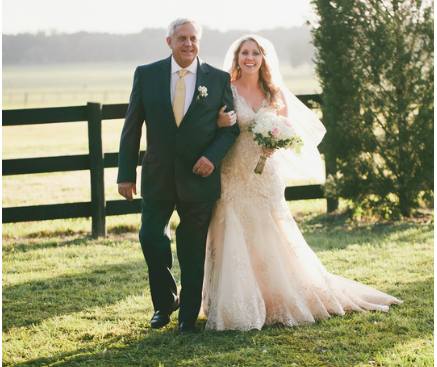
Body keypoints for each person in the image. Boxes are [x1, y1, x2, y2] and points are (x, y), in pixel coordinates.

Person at [201, 34, 402, 330]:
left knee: (269, 231)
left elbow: (288, 129)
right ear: (237, 57)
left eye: (255, 53)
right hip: (233, 172)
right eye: (245, 52)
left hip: (266, 174)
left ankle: (276, 298)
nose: (250, 58)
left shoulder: (274, 93)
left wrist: (276, 143)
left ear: (263, 58)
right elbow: (212, 124)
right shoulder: (226, 90)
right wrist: (219, 124)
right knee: (232, 227)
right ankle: (237, 301)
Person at [116, 18, 240, 334]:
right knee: (150, 237)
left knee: (192, 247)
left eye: (193, 38)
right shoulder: (146, 75)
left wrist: (211, 158)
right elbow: (132, 127)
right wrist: (125, 173)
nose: (188, 44)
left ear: (199, 42)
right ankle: (164, 302)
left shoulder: (218, 78)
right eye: (182, 38)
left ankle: (187, 316)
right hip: (157, 176)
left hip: (199, 178)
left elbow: (232, 128)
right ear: (169, 42)